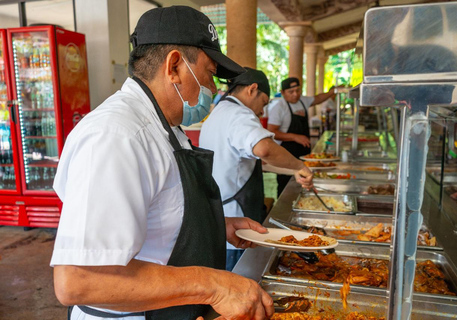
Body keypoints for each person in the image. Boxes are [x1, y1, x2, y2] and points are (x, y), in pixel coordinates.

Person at [50, 6, 274, 320]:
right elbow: (79, 279)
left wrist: (216, 227)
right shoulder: (116, 136)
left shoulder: (167, 127)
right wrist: (212, 284)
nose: (213, 89)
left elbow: (154, 214)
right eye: (210, 74)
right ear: (174, 66)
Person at [199, 68, 314, 271]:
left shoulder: (219, 111)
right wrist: (299, 165)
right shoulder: (239, 114)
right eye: (264, 103)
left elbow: (254, 162)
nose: (262, 111)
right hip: (236, 225)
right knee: (240, 278)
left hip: (222, 218)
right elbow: (264, 149)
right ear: (252, 90)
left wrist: (293, 172)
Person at [267, 77, 336, 196]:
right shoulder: (279, 108)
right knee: (286, 187)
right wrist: (295, 137)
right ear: (283, 92)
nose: (295, 94)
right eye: (291, 92)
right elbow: (272, 132)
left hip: (303, 152)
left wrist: (332, 92)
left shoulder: (302, 101)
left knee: (304, 183)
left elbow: (318, 98)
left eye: (298, 90)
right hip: (286, 153)